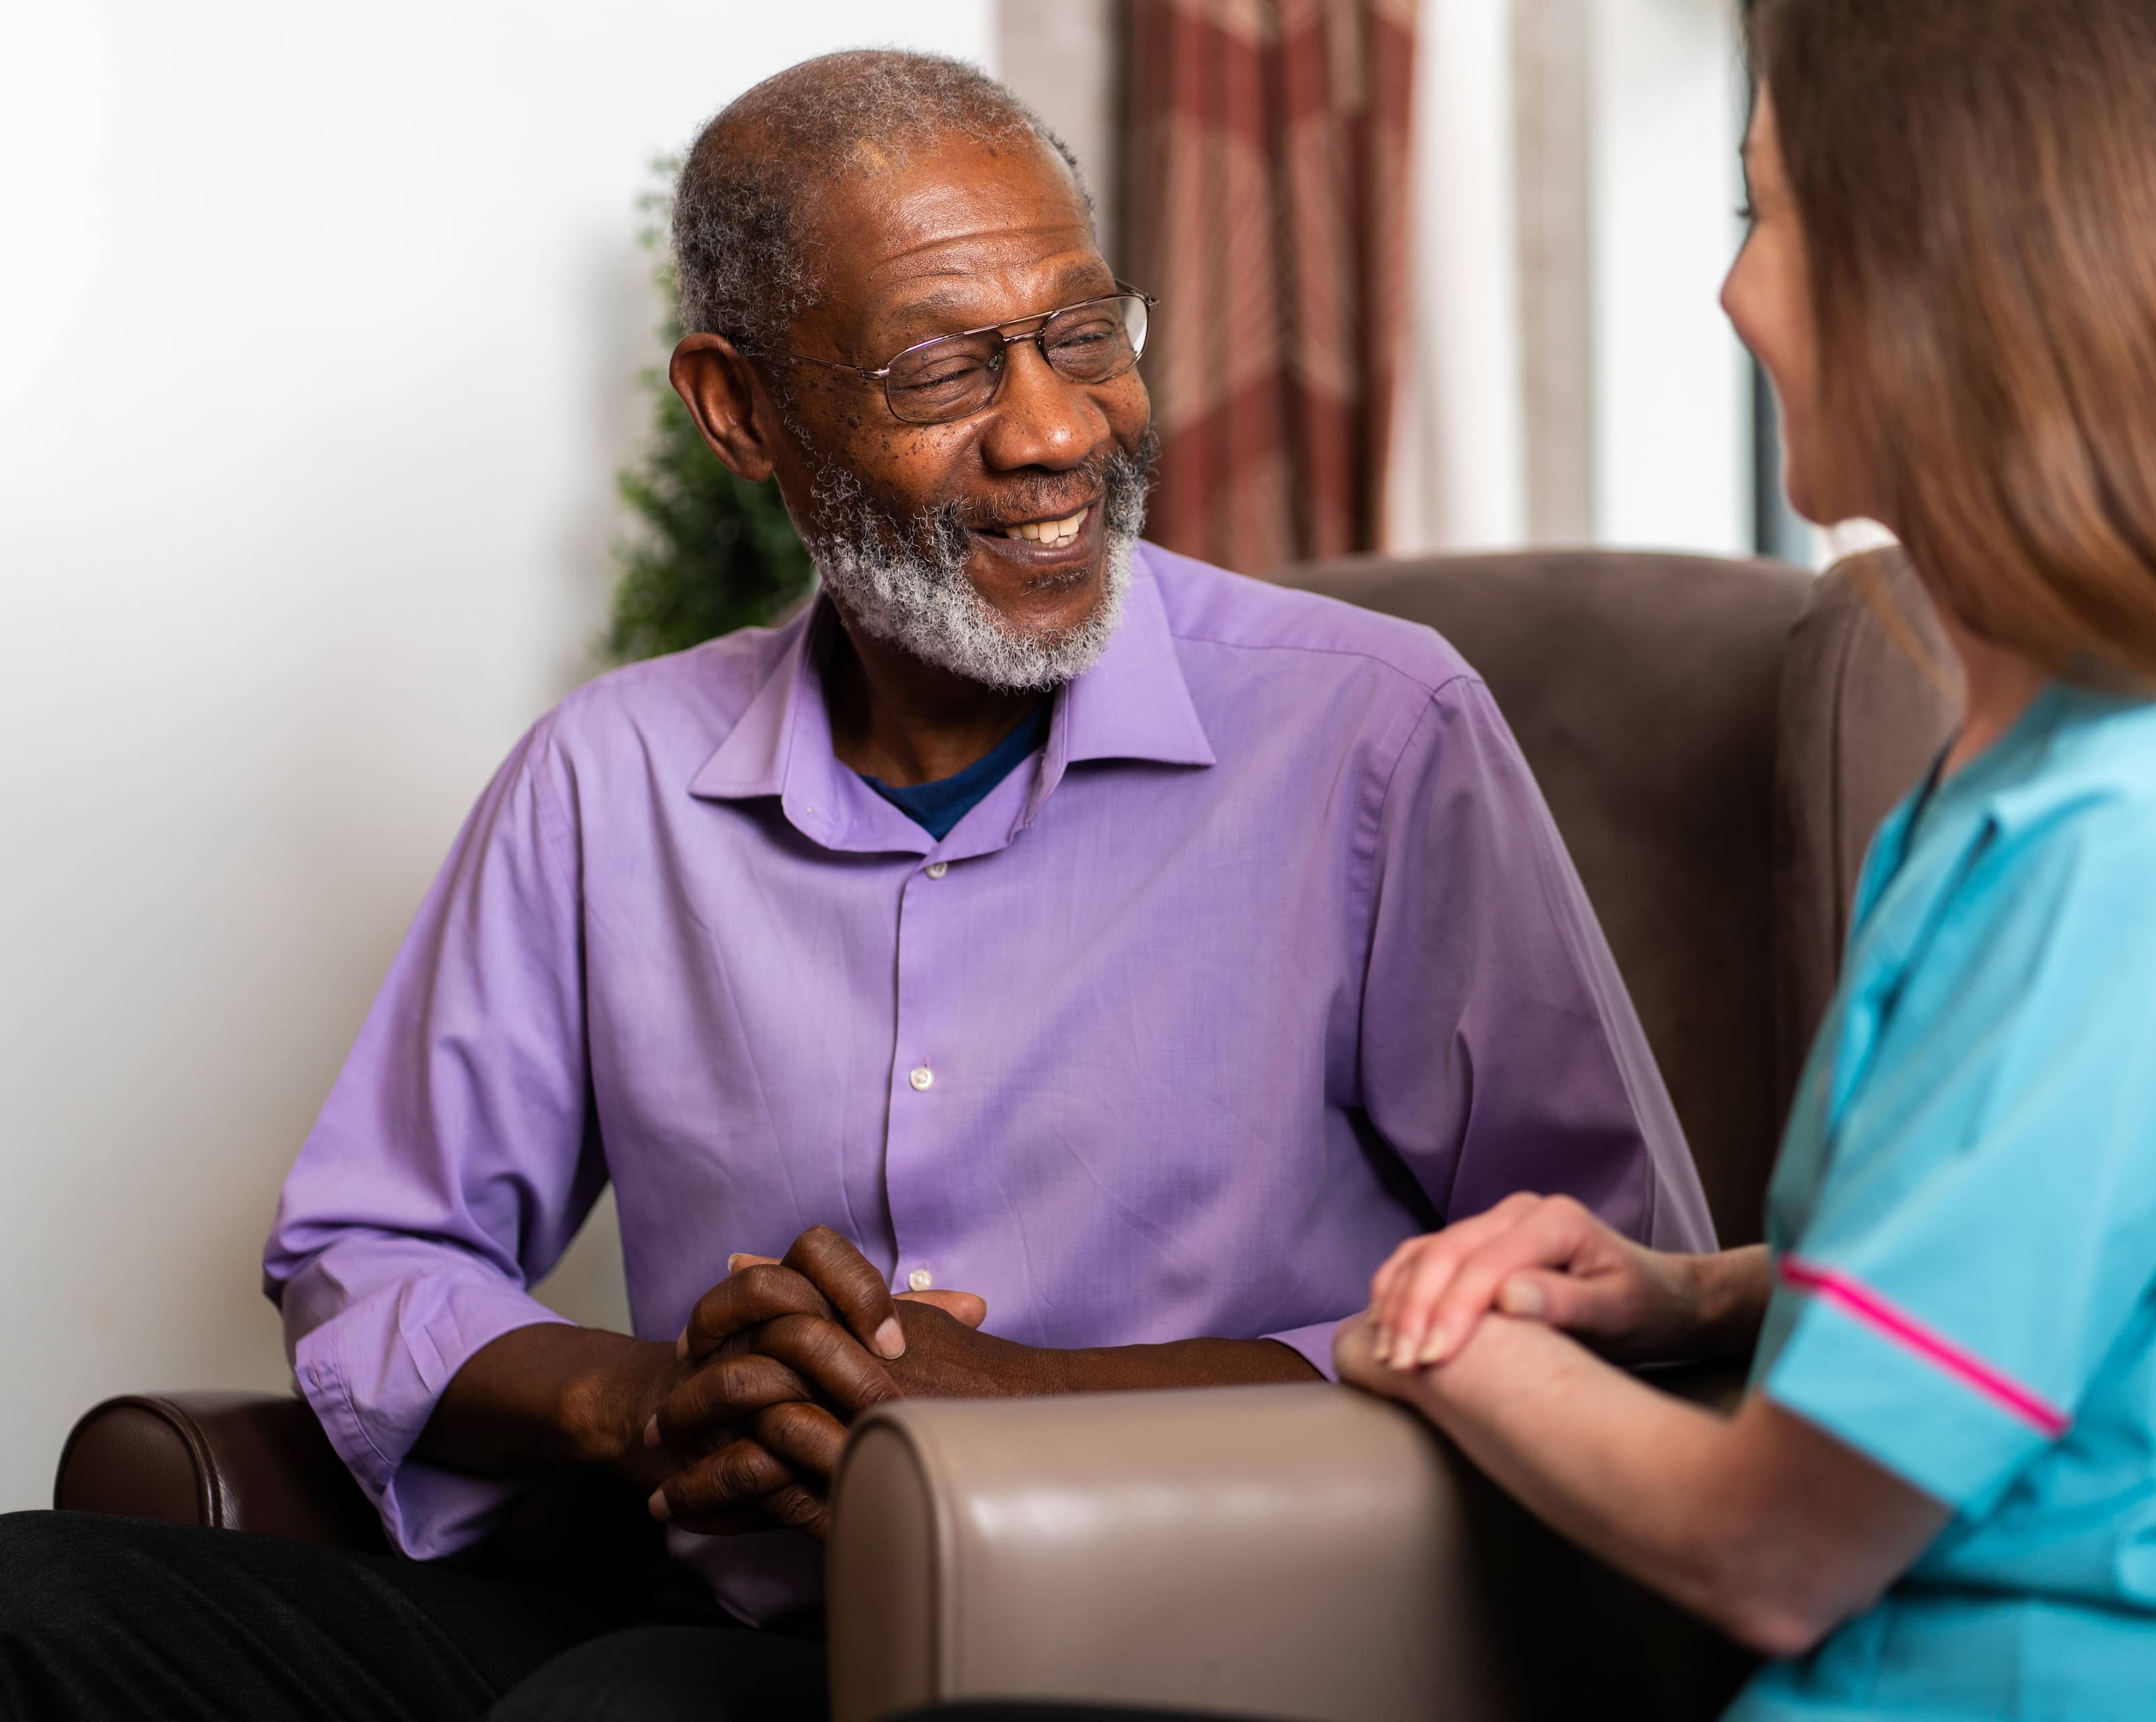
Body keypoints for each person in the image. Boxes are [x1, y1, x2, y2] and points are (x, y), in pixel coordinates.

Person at [0, 46, 1709, 1722]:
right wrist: (655, 1397)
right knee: (39, 1596)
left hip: (1190, 1633)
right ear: (740, 410)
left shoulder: (1374, 732)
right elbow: (373, 1239)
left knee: (628, 1700)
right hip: (716, 1603)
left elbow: (1609, 1283)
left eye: (1083, 334)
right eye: (943, 368)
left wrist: (1027, 1405)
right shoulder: (610, 777)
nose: (1053, 431)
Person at [1341, 1, 2156, 1717]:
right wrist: (1680, 1291)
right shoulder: (2074, 783)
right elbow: (2115, 1253)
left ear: (1943, 288)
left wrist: (1426, 1339)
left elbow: (1773, 1545)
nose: (1731, 292)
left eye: (1761, 215)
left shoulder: (2143, 847)